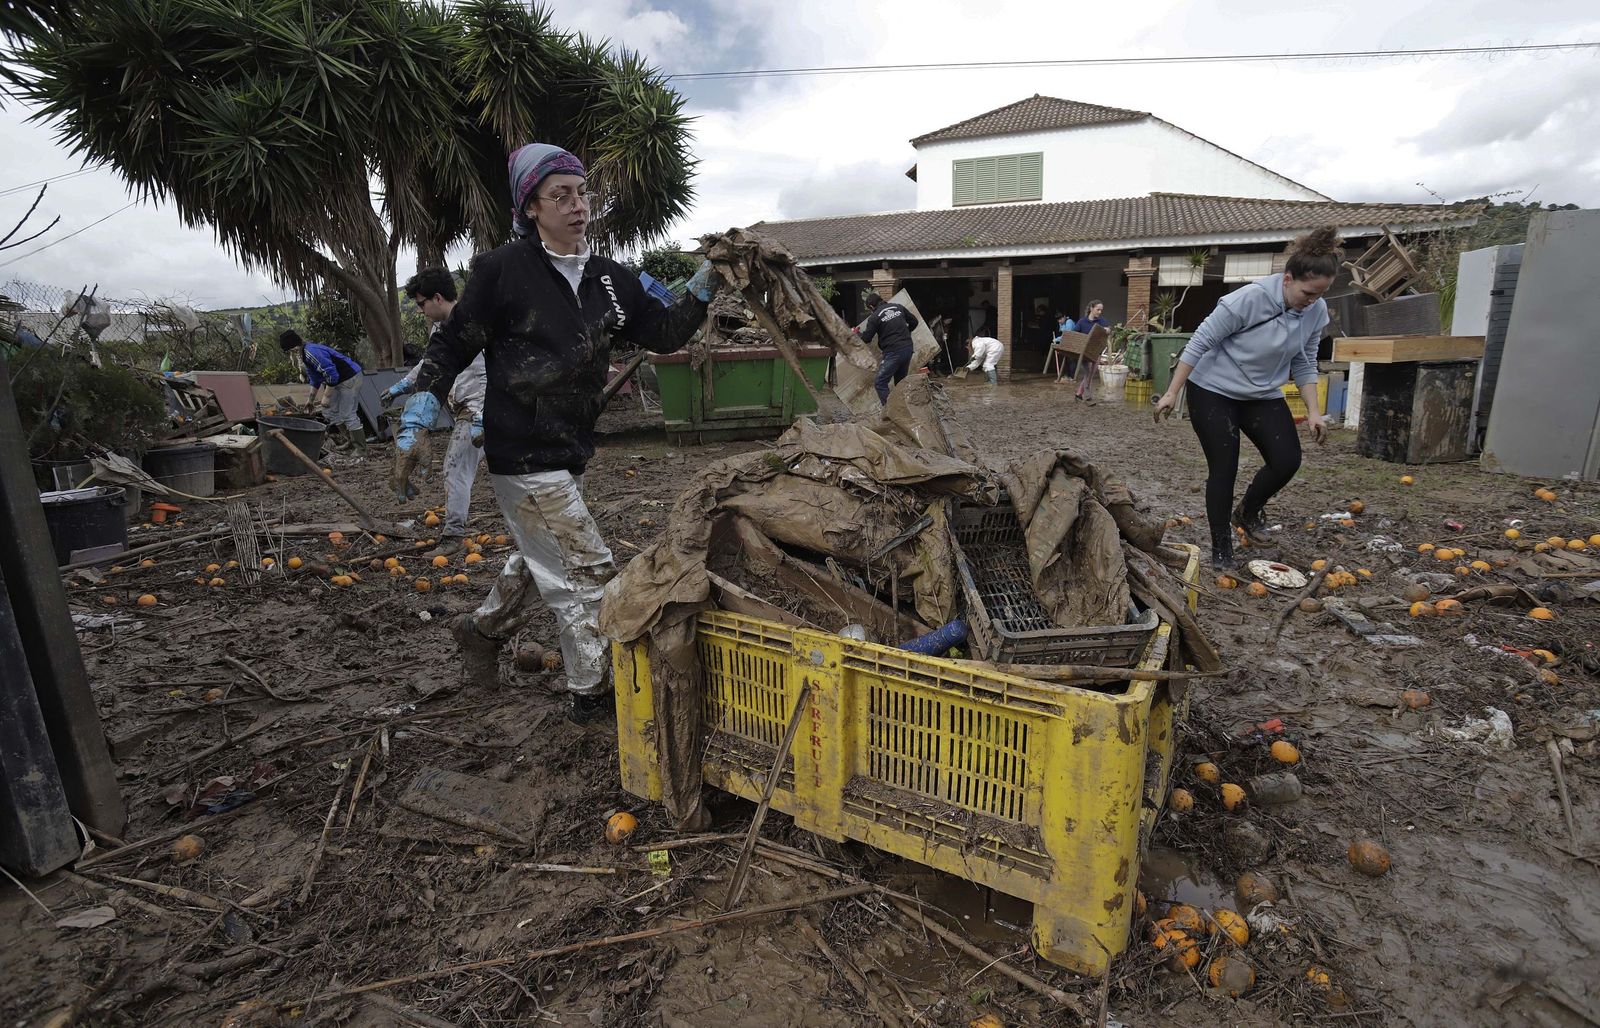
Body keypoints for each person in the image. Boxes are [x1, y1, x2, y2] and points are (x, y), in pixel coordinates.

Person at [394, 142, 712, 724]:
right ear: (531, 208)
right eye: (559, 195)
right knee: (586, 571)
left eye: (583, 191)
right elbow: (455, 341)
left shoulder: (610, 279)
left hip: (570, 446)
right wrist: (420, 409)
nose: (577, 204)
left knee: (541, 558)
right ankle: (591, 693)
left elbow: (663, 334)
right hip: (520, 447)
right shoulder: (502, 270)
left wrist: (704, 286)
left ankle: (482, 630)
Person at [1153, 227, 1339, 569]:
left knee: (1287, 460)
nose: (1312, 301)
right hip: (1213, 390)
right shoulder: (1247, 300)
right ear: (1287, 279)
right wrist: (1171, 392)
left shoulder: (1315, 311)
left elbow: (1305, 359)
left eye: (1320, 294)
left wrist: (1314, 412)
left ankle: (1248, 511)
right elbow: (1199, 343)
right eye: (1307, 293)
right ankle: (1222, 547)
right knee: (1224, 468)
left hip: (1261, 393)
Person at [384, 267, 485, 554]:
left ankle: (453, 536)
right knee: (503, 474)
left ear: (437, 298)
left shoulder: (473, 321)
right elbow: (431, 361)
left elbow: (500, 364)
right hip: (466, 409)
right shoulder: (441, 329)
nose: (421, 310)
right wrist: (402, 385)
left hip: (480, 411)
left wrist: (486, 410)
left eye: (421, 304)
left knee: (455, 469)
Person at [278, 330, 366, 454]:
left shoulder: (311, 352)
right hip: (337, 381)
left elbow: (332, 374)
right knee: (329, 411)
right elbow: (315, 379)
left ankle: (361, 449)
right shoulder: (304, 355)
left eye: (290, 351)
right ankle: (350, 442)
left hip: (350, 377)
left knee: (347, 414)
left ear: (294, 347)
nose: (290, 354)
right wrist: (310, 401)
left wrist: (326, 396)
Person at [858, 292, 919, 403]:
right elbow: (914, 322)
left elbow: (866, 339)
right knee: (900, 383)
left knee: (880, 382)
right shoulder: (898, 307)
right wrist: (906, 332)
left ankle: (891, 412)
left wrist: (857, 335)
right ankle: (904, 410)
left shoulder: (874, 317)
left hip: (894, 352)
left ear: (871, 306)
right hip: (908, 349)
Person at [1072, 300, 1110, 402]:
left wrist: (1107, 330)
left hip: (1096, 351)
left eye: (1101, 310)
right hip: (1084, 351)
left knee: (1091, 373)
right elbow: (1075, 334)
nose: (1100, 312)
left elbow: (1108, 330)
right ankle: (1087, 394)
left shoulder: (1102, 321)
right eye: (1098, 309)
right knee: (1088, 372)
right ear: (1091, 308)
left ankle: (1079, 394)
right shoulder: (1082, 322)